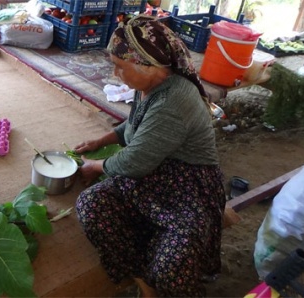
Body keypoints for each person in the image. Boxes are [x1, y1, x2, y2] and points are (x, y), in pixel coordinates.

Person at [74, 14, 226, 297]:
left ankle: (160, 267)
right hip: (152, 177)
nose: (115, 75)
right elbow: (134, 127)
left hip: (186, 188)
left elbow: (134, 162)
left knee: (173, 271)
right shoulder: (149, 87)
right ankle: (143, 279)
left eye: (120, 67)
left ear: (149, 65)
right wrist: (102, 139)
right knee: (92, 204)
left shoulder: (173, 101)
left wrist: (94, 166)